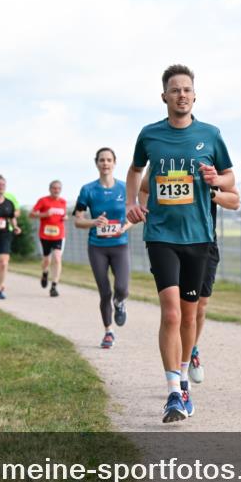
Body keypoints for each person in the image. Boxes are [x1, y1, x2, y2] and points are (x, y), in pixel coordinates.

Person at [126, 64, 234, 423]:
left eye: (187, 89)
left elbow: (230, 178)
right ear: (164, 97)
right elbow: (135, 171)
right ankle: (173, 391)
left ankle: (184, 375)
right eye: (175, 90)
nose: (181, 95)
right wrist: (132, 202)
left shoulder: (210, 134)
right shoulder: (149, 135)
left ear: (194, 95)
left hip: (199, 236)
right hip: (161, 235)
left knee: (190, 315)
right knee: (170, 312)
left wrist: (216, 177)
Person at [139, 167, 240, 384]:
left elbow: (234, 201)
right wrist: (147, 211)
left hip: (203, 243)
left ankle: (191, 348)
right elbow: (144, 189)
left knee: (199, 307)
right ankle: (177, 380)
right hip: (167, 242)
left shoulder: (208, 159)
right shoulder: (162, 158)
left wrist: (211, 192)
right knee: (173, 312)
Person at [75, 148, 134, 348]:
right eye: (102, 160)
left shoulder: (125, 188)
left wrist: (126, 226)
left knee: (122, 288)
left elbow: (133, 216)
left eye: (109, 160)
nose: (105, 163)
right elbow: (78, 221)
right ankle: (108, 332)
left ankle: (120, 303)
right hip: (97, 247)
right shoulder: (88, 190)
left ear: (114, 163)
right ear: (97, 163)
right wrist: (93, 223)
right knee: (105, 292)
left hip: (120, 245)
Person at [30, 180, 67, 297]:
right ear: (50, 189)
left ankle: (54, 286)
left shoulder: (63, 202)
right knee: (47, 260)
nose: (56, 190)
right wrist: (44, 214)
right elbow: (31, 214)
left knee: (57, 258)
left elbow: (63, 215)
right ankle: (45, 273)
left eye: (58, 188)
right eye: (54, 188)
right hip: (45, 235)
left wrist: (65, 217)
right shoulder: (43, 201)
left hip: (59, 235)